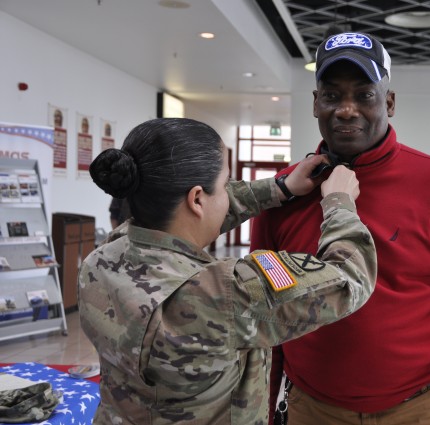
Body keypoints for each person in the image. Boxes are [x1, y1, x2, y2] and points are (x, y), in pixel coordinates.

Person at [250, 32, 430, 424]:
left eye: (364, 95)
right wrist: (260, 412)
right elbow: (265, 319)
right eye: (332, 95)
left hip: (425, 409)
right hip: (313, 410)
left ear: (389, 103)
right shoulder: (283, 193)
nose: (346, 110)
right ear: (315, 104)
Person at [78, 117, 377, 424]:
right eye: (224, 185)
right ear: (197, 199)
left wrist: (280, 188)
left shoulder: (101, 259)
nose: (227, 194)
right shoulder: (223, 295)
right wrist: (339, 202)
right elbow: (351, 277)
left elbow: (187, 216)